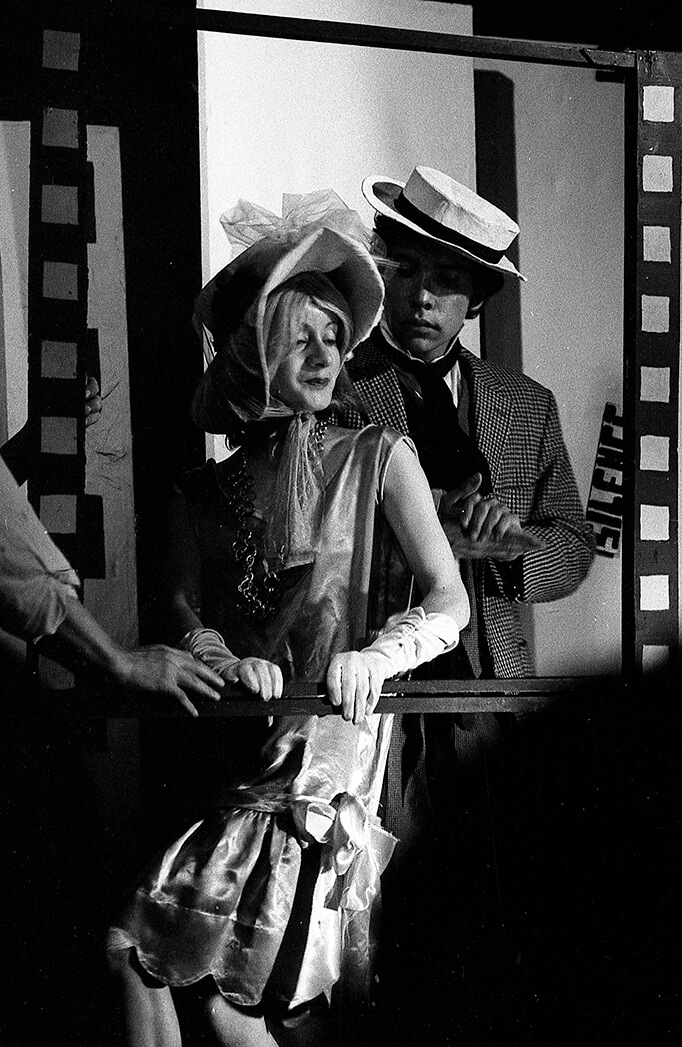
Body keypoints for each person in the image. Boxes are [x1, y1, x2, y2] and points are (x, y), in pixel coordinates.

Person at [105, 192, 470, 1047]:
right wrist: (216, 653)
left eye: (334, 336)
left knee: (152, 953)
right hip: (240, 759)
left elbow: (447, 597)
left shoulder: (380, 456)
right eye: (298, 334)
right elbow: (181, 608)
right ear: (251, 346)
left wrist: (379, 655)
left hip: (323, 766)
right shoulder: (200, 493)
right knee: (199, 984)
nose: (323, 354)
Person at [338, 166, 596, 1044]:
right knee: (378, 908)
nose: (422, 297)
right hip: (378, 691)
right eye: (407, 269)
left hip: (494, 695)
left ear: (476, 299)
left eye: (447, 281)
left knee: (498, 900)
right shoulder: (336, 386)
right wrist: (434, 535)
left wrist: (509, 549)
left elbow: (574, 544)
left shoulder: (527, 406)